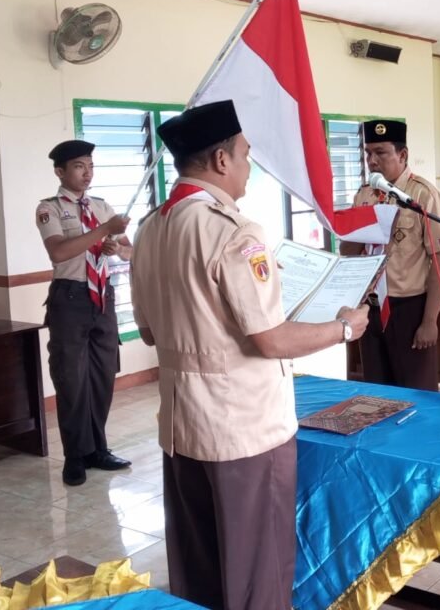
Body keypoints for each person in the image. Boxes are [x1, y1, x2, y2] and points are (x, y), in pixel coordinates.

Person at [130, 101, 370, 610]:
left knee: (198, 567)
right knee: (255, 569)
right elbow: (272, 340)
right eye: (244, 154)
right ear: (220, 160)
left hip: (181, 424)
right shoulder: (232, 231)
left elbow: (150, 333)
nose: (248, 166)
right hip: (243, 430)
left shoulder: (150, 230)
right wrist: (344, 327)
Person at [36, 140, 132, 486]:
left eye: (90, 165)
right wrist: (104, 231)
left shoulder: (102, 206)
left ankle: (98, 450)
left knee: (102, 377)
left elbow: (128, 251)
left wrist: (115, 246)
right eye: (79, 166)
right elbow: (60, 252)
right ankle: (74, 456)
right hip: (70, 299)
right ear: (60, 171)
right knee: (71, 381)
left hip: (102, 297)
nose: (87, 172)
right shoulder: (50, 208)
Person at [341, 119, 440, 391]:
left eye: (381, 153)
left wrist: (429, 321)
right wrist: (364, 227)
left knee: (416, 392)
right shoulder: (364, 195)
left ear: (402, 155)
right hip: (372, 308)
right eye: (368, 153)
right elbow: (347, 251)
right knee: (378, 393)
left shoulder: (422, 196)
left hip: (409, 308)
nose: (372, 160)